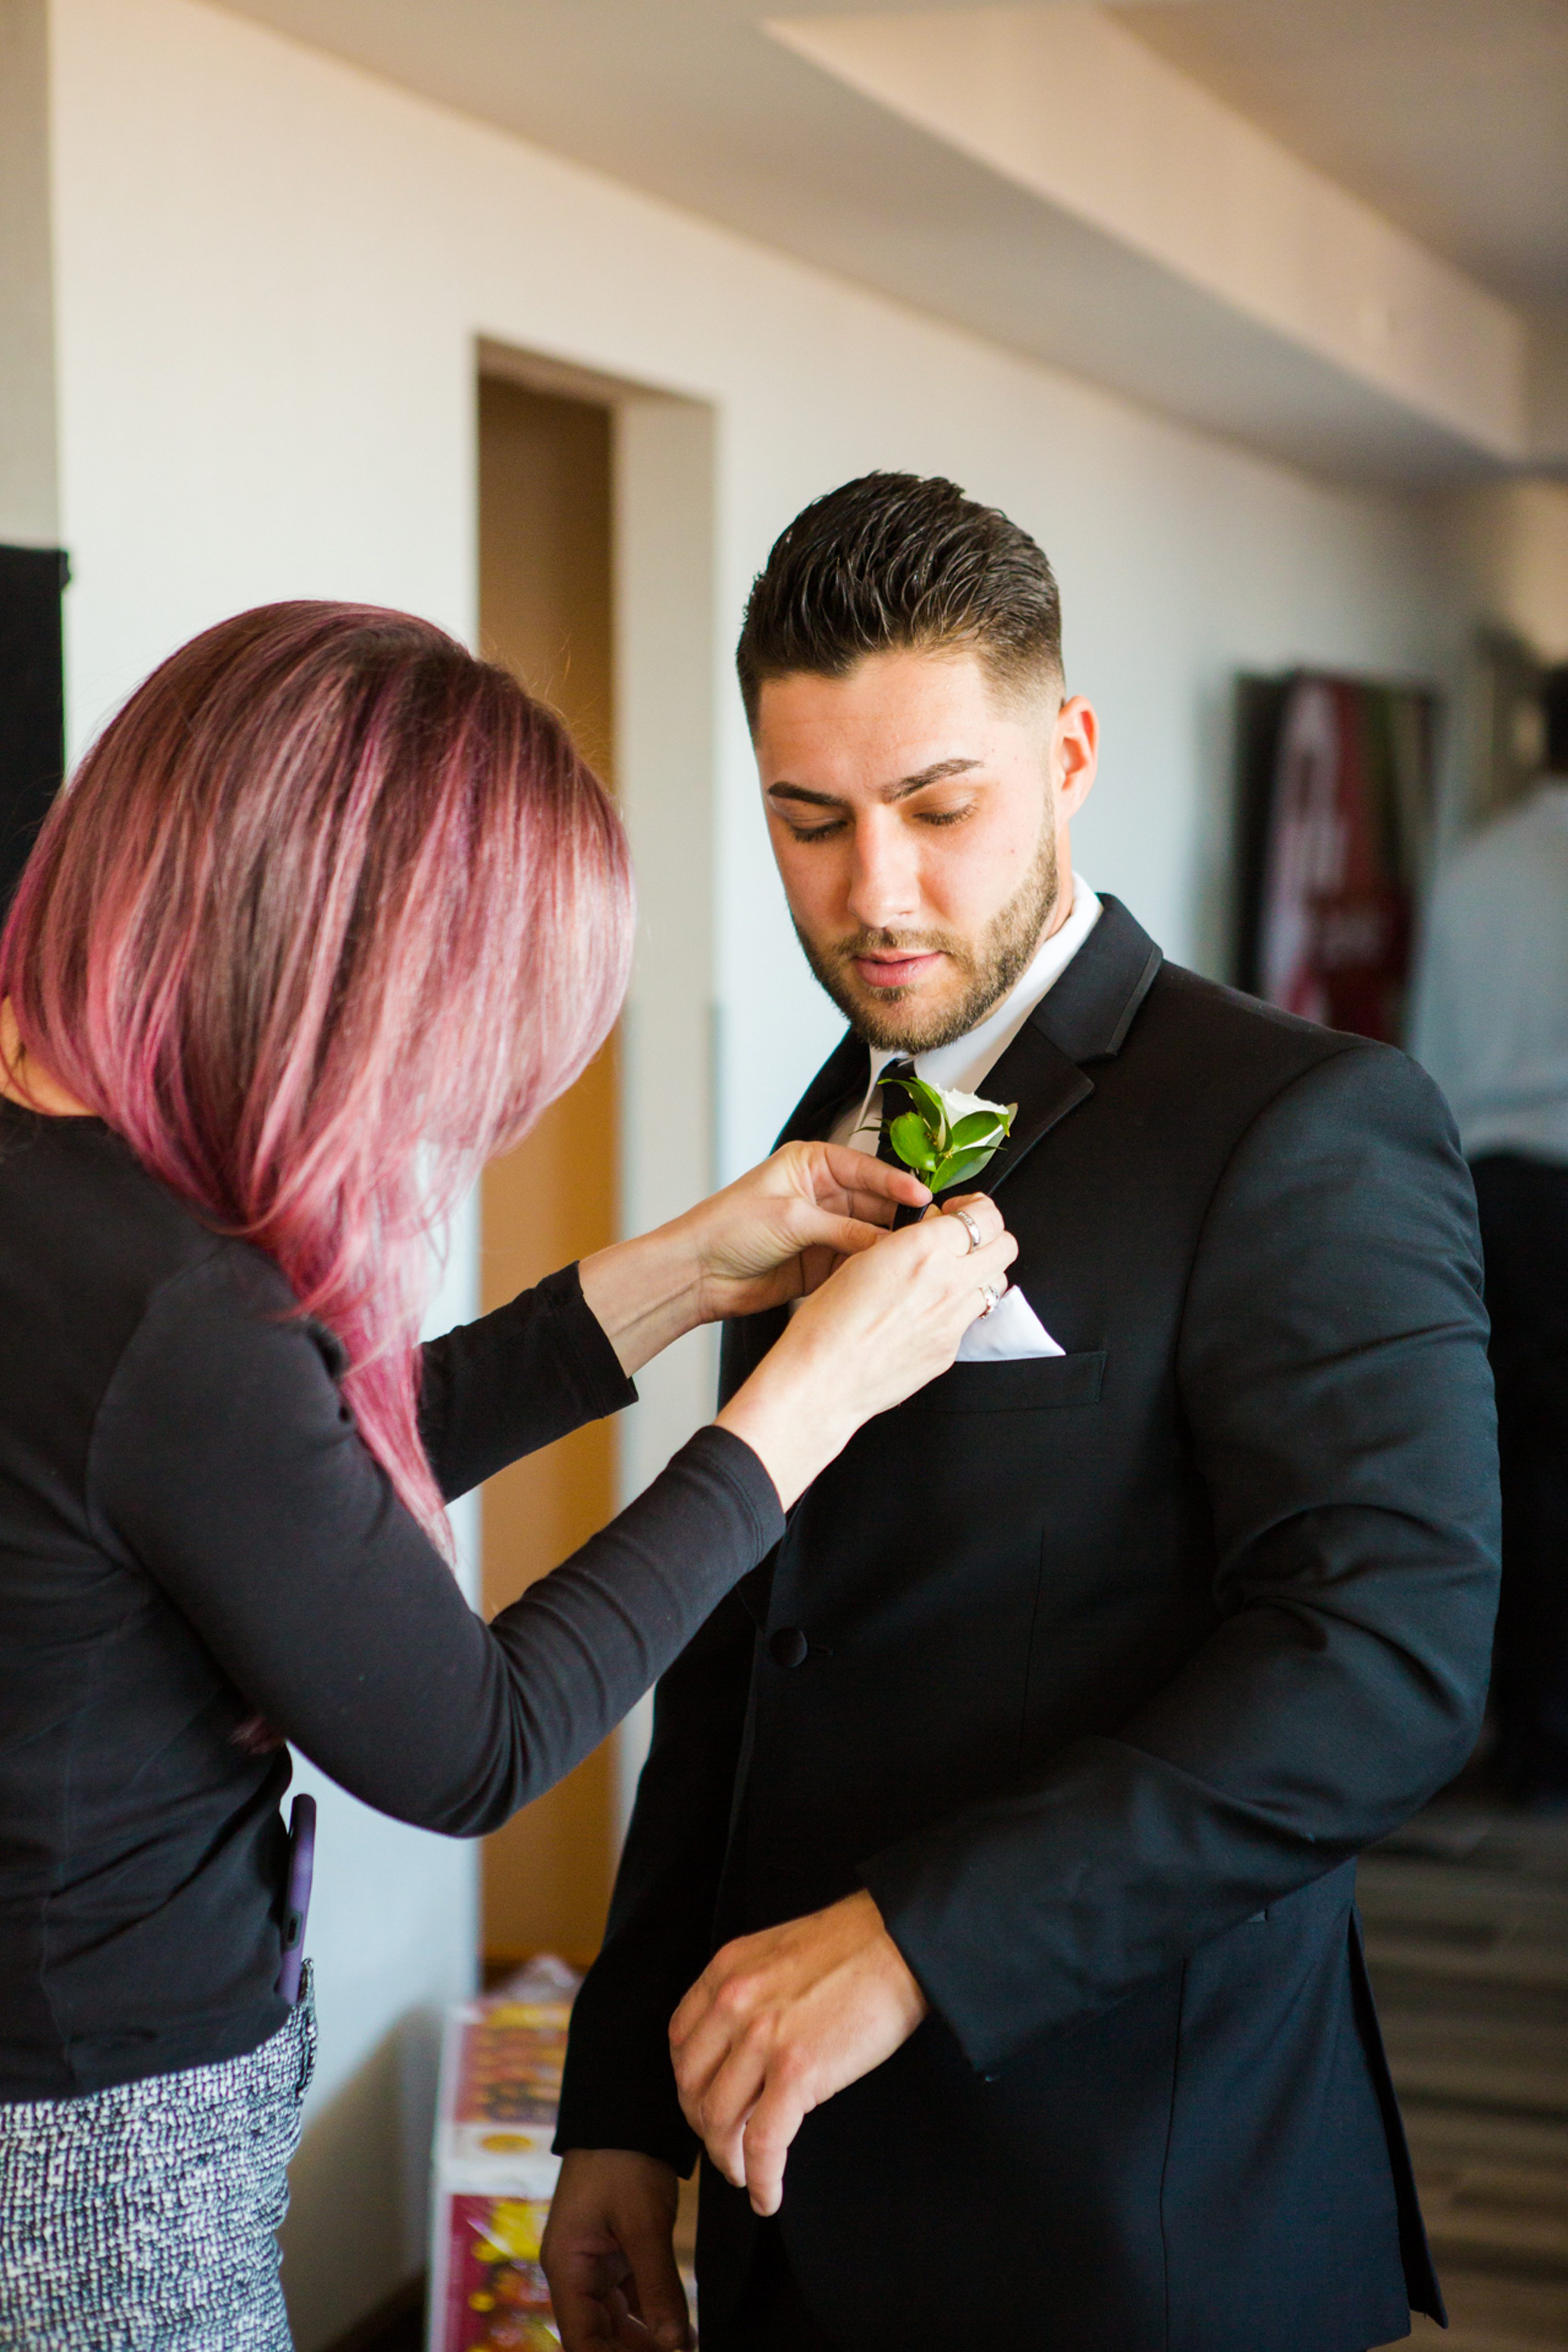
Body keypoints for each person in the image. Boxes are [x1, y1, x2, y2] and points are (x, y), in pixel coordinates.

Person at [545, 475, 1502, 2352]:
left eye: (938, 808)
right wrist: (619, 2106)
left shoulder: (1301, 1123)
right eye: (808, 821)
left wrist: (920, 1939)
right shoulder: (823, 1117)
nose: (874, 890)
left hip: (1127, 2216)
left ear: (1066, 753)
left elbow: (1381, 1658)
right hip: (784, 2202)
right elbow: (750, 1647)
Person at [0, 599, 1017, 2352]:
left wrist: (695, 1267)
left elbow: (283, 1479)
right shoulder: (174, 1303)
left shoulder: (69, 1169)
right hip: (91, 2152)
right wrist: (812, 1398)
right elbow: (472, 1741)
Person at [1415, 665, 1568, 1805]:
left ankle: (1521, 1729)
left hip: (1493, 1194)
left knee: (1510, 1465)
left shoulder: (1474, 869)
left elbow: (1428, 1051)